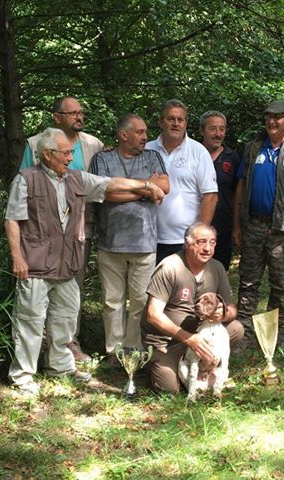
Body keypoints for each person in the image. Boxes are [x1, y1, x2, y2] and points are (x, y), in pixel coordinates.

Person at [5, 127, 165, 395]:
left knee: (65, 319)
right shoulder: (26, 180)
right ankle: (22, 377)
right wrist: (17, 258)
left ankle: (61, 367)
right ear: (47, 154)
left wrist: (146, 185)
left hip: (66, 264)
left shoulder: (76, 178)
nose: (71, 158)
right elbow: (12, 219)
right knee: (30, 321)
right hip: (34, 265)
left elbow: (111, 183)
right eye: (66, 153)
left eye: (71, 152)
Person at [21, 96, 104, 363]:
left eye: (81, 112)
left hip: (80, 228)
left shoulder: (93, 145)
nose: (79, 117)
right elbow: (25, 186)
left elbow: (102, 184)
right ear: (57, 117)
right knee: (39, 289)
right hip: (42, 234)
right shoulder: (35, 144)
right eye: (72, 113)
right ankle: (42, 346)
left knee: (72, 286)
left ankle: (70, 343)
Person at [233, 100, 284, 352]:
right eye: (268, 116)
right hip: (253, 225)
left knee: (281, 285)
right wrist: (237, 225)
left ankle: (276, 335)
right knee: (248, 281)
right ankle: (243, 334)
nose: (272, 121)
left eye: (279, 117)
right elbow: (240, 187)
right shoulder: (252, 149)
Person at [89, 114, 169, 362]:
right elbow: (104, 194)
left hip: (144, 244)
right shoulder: (102, 158)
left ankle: (133, 351)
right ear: (123, 135)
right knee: (112, 301)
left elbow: (164, 186)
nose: (146, 137)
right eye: (140, 132)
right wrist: (146, 188)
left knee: (140, 301)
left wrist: (135, 187)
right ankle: (114, 351)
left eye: (146, 132)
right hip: (110, 243)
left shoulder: (152, 156)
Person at [141, 222, 244, 394]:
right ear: (187, 244)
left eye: (212, 242)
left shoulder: (217, 267)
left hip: (201, 335)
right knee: (169, 389)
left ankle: (205, 366)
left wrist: (222, 314)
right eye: (201, 242)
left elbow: (232, 309)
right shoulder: (170, 267)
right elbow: (153, 315)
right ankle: (154, 364)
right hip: (167, 342)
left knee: (236, 329)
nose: (207, 248)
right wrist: (189, 339)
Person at [147, 99, 218, 264]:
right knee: (152, 289)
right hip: (148, 239)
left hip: (185, 239)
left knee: (185, 289)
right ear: (160, 122)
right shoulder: (146, 150)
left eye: (181, 119)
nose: (176, 123)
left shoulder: (198, 152)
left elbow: (211, 196)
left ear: (186, 123)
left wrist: (198, 236)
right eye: (171, 119)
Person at [200, 110, 240, 270]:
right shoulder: (192, 154)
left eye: (222, 129)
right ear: (202, 130)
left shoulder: (233, 158)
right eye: (213, 129)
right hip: (193, 226)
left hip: (222, 229)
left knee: (218, 274)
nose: (218, 134)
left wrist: (237, 227)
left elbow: (238, 196)